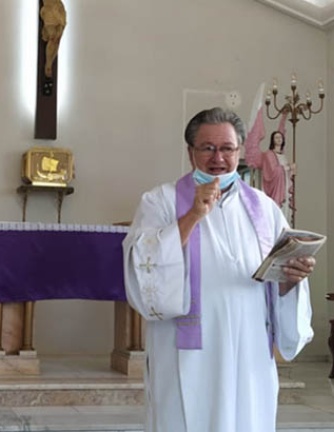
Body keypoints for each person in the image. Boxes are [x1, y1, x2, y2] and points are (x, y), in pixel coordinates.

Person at [123, 107, 314, 431]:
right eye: (207, 148)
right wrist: (192, 215)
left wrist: (289, 282)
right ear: (190, 151)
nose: (218, 157)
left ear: (239, 151)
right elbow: (142, 265)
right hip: (186, 349)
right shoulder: (161, 201)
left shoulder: (265, 208)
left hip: (249, 347)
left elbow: (276, 277)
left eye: (227, 148)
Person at [39, 0, 66, 78]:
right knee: (52, 37)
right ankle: (48, 64)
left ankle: (50, 63)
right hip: (49, 10)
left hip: (59, 9)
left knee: (57, 39)